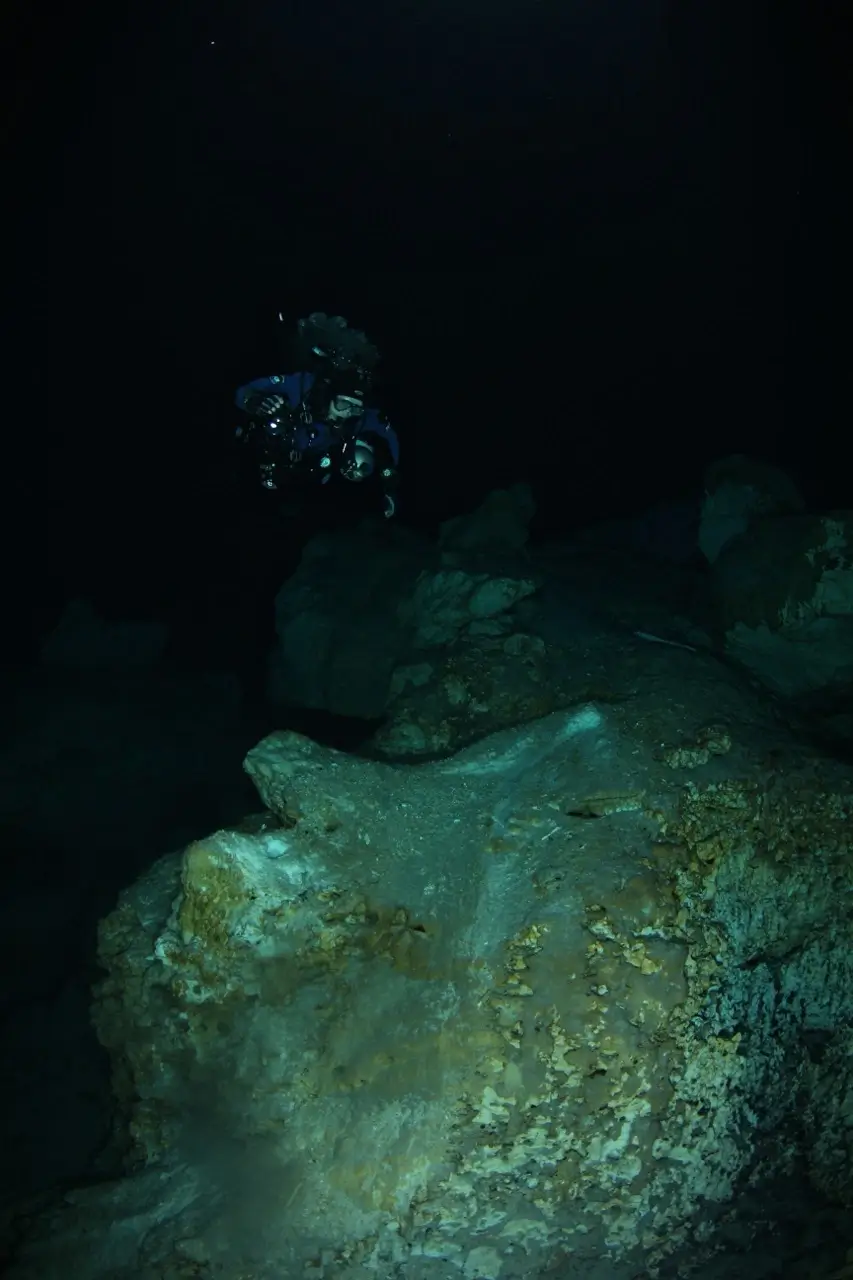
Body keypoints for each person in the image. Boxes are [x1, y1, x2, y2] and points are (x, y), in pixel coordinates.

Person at [235, 313, 399, 518]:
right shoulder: (302, 386)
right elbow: (244, 392)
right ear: (329, 397)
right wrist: (256, 402)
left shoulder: (357, 419)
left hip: (313, 474)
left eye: (355, 408)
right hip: (270, 454)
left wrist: (390, 483)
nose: (347, 413)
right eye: (342, 404)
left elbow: (389, 435)